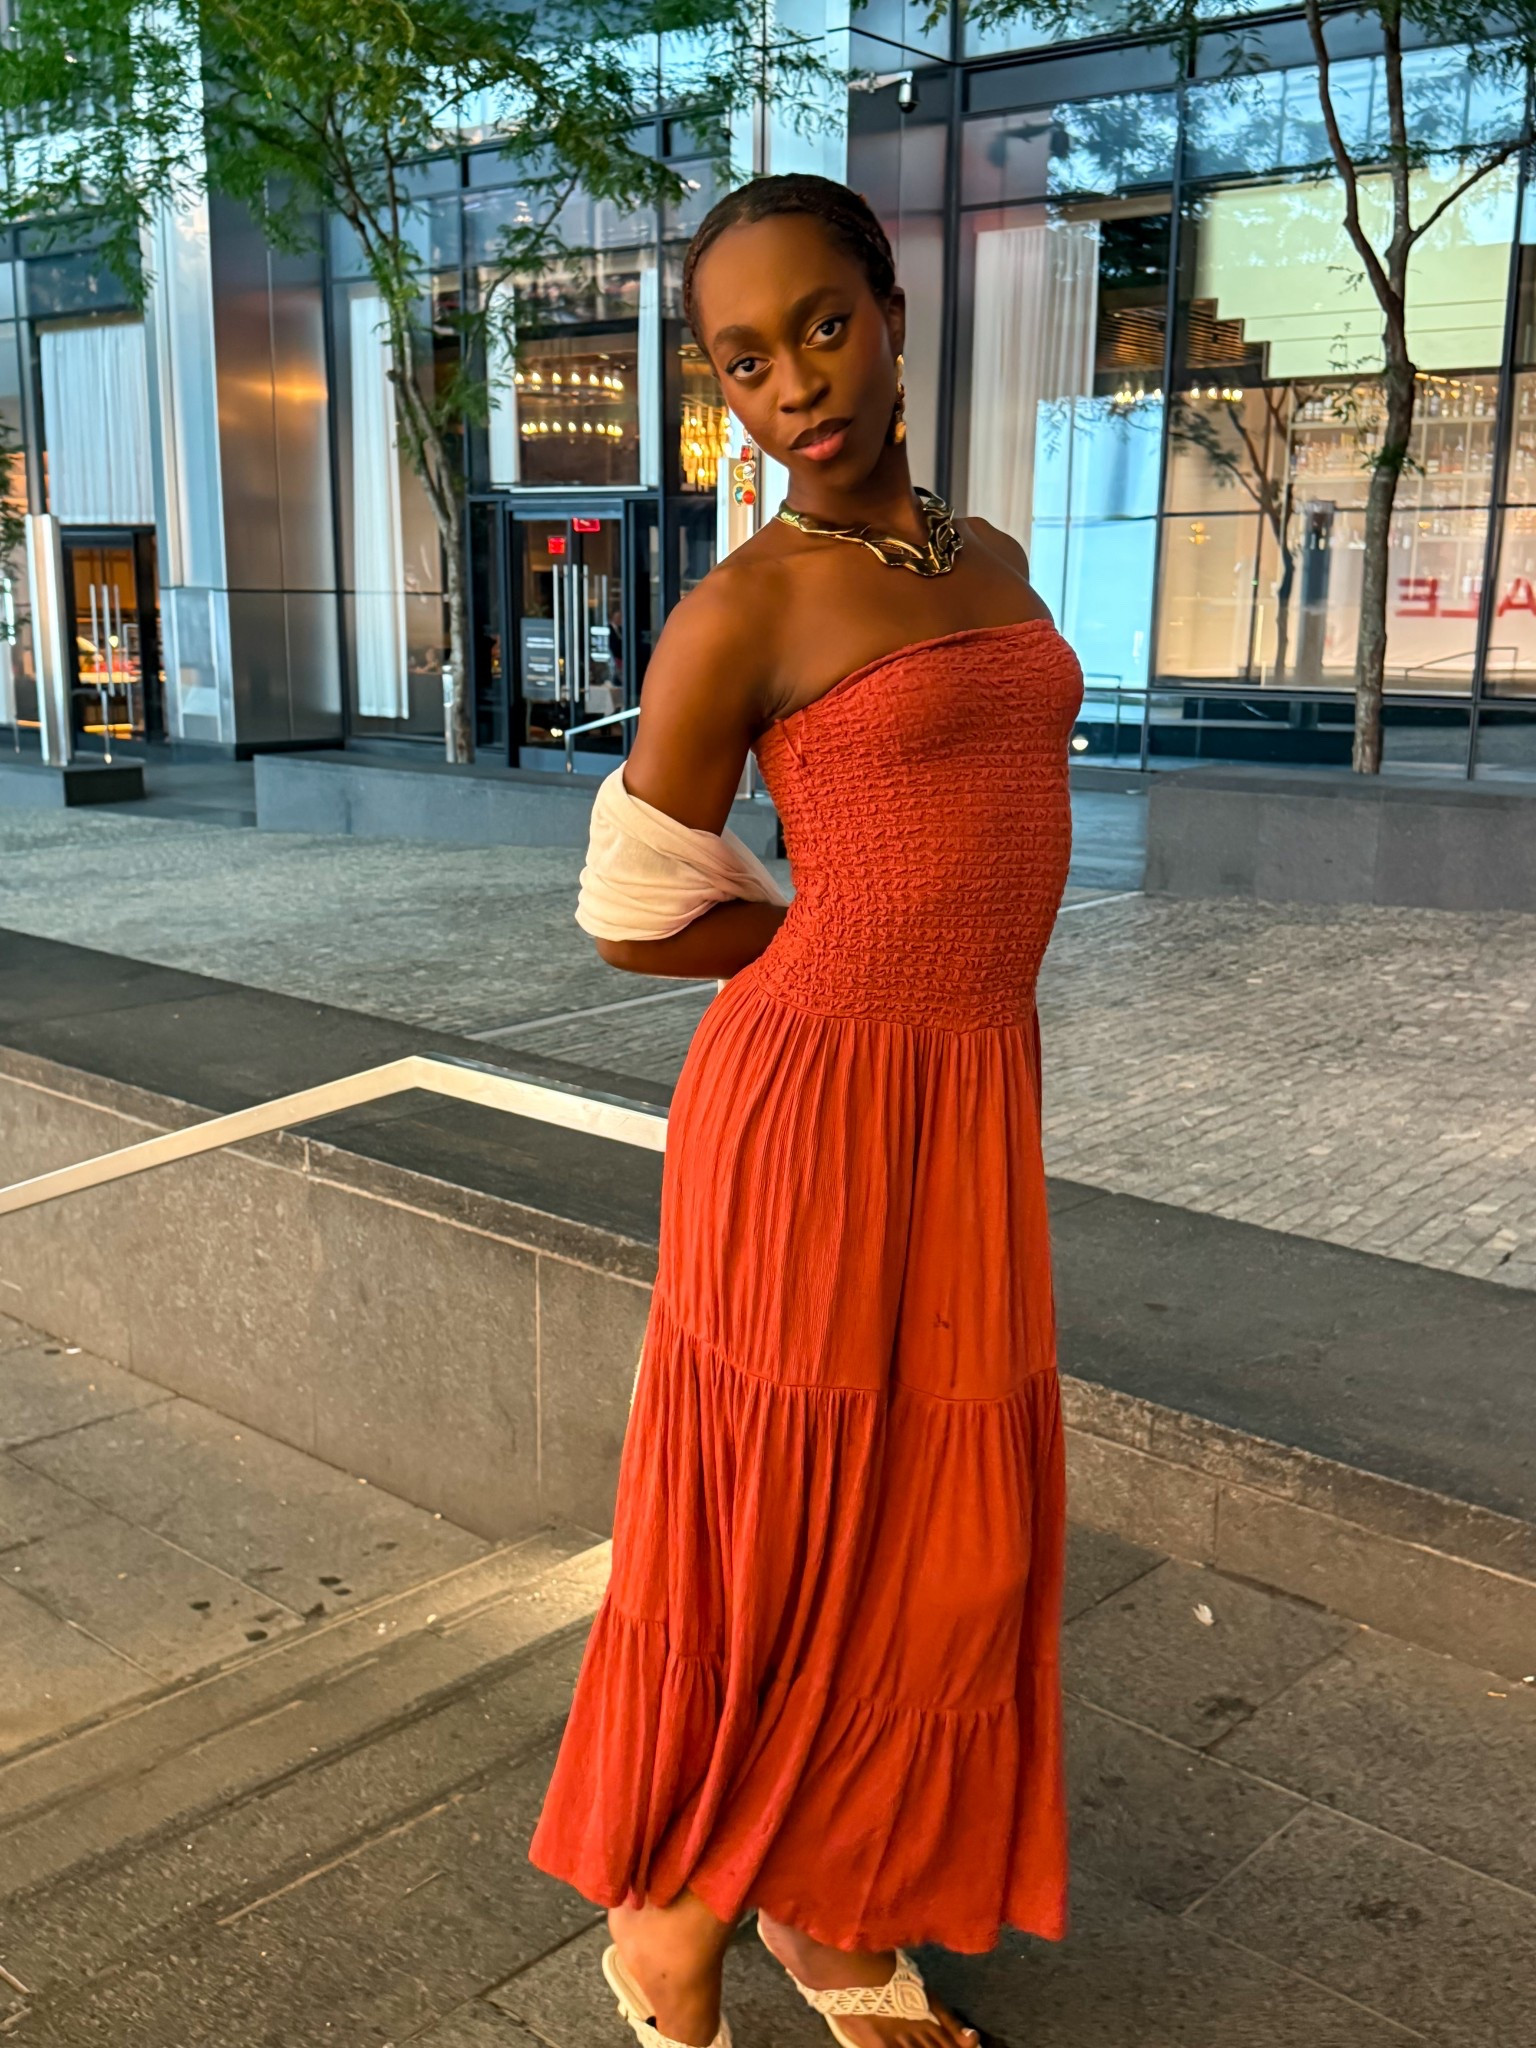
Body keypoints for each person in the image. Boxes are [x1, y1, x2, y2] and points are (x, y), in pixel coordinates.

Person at [528, 172, 1083, 2048]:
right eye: (741, 362)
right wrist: (802, 946)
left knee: (946, 1538)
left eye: (822, 327)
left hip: (970, 1104)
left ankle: (835, 1907)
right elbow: (625, 910)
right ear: (720, 391)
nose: (794, 387)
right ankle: (669, 1921)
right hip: (817, 1118)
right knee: (791, 1539)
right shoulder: (740, 609)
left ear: (894, 310)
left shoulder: (988, 558)